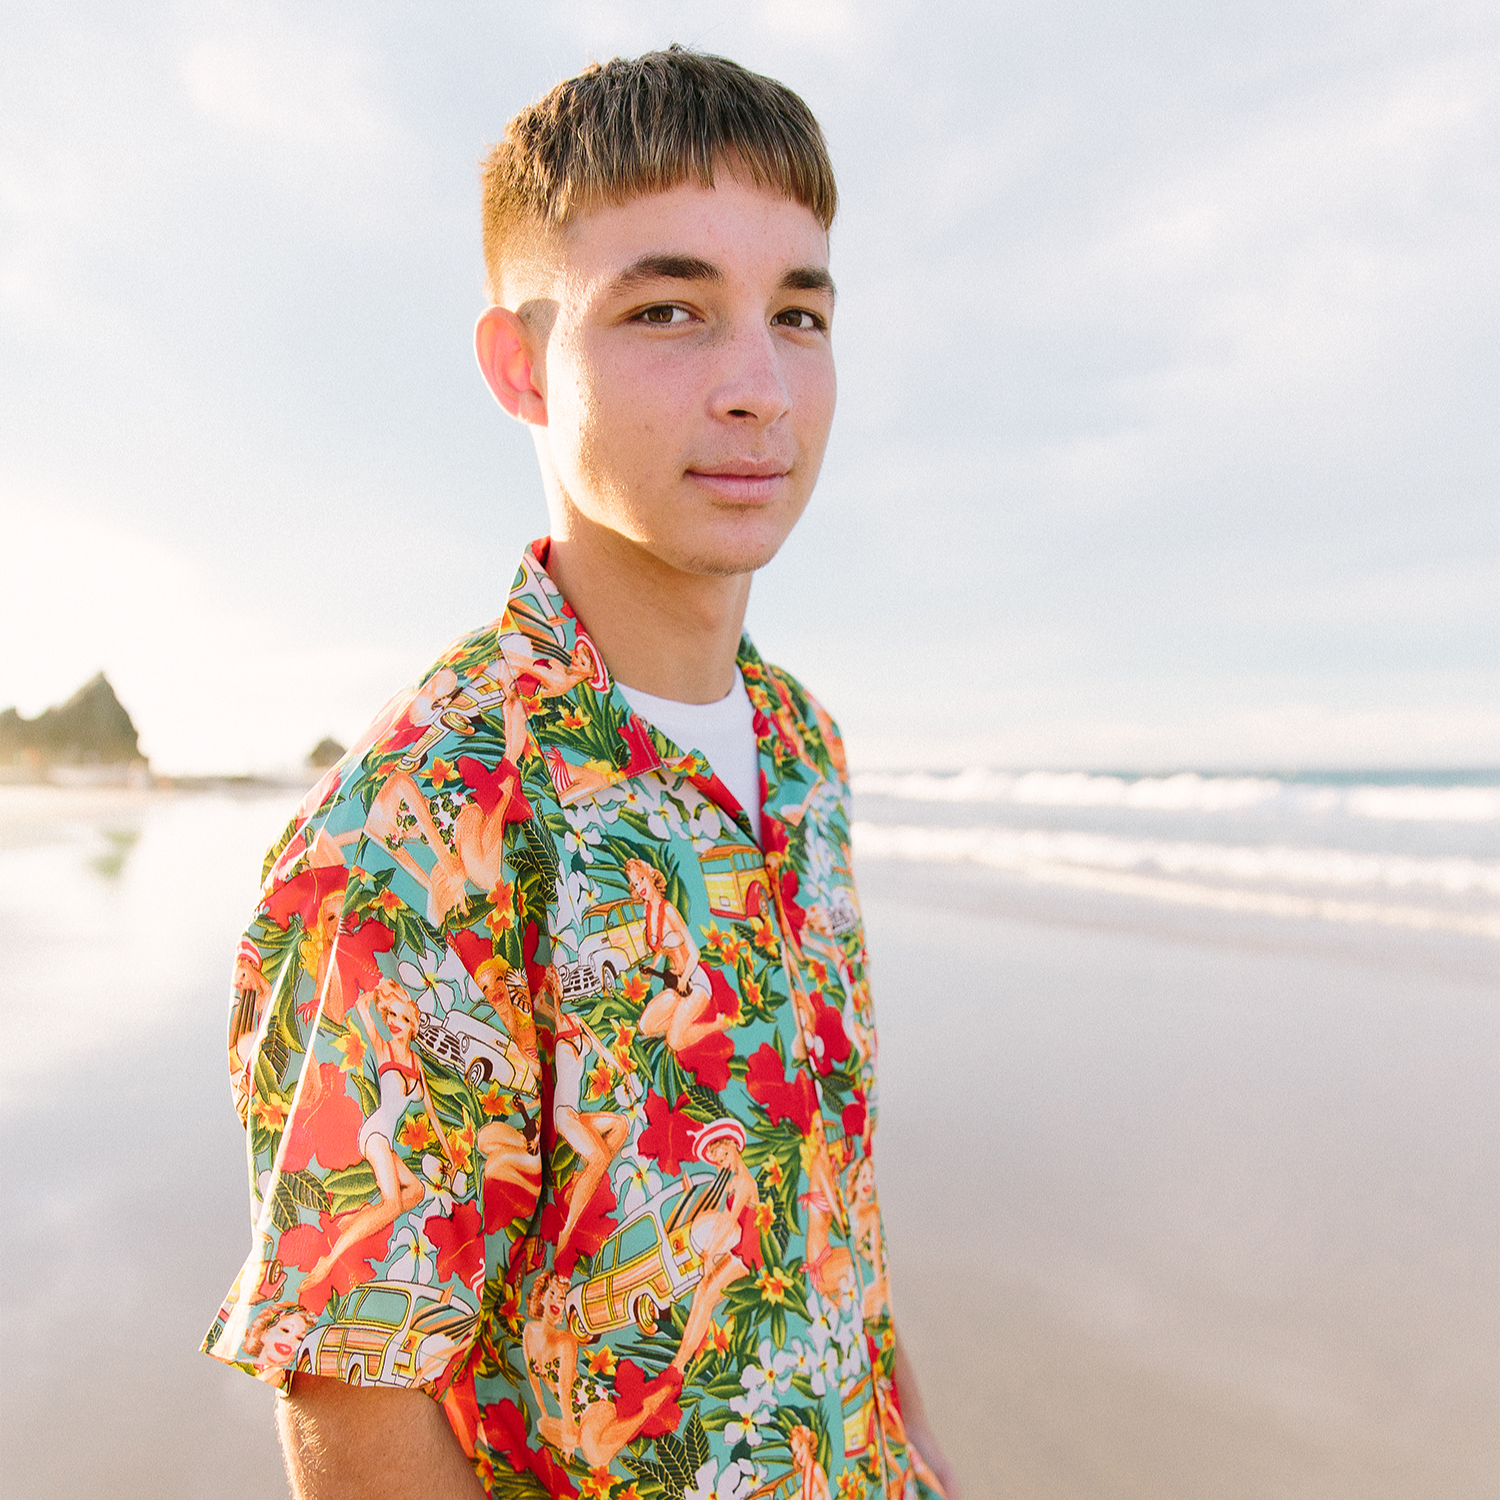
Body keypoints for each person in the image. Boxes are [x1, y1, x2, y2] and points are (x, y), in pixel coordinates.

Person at [205, 46, 960, 1500]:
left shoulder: (802, 745)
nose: (759, 386)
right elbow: (357, 1401)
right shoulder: (416, 827)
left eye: (798, 314)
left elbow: (821, 1212)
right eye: (668, 310)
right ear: (517, 366)